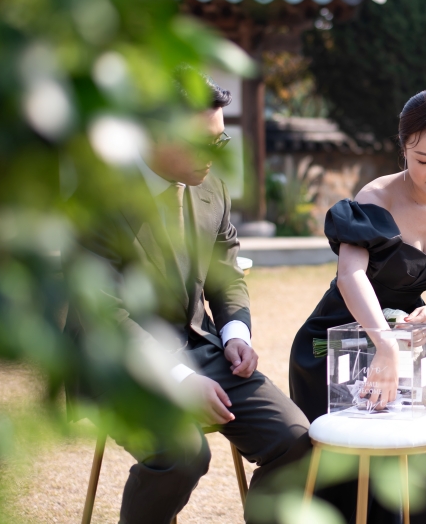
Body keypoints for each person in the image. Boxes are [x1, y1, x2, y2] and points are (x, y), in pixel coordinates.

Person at [64, 70, 310, 524]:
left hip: (202, 349)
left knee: (297, 440)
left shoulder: (212, 188)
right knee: (183, 454)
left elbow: (226, 272)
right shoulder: (99, 198)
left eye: (219, 141)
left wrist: (235, 333)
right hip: (117, 363)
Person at [289, 89, 426, 523]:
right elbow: (350, 276)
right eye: (422, 159)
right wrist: (385, 345)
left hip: (412, 341)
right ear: (404, 148)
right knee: (355, 470)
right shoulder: (375, 198)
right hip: (338, 340)